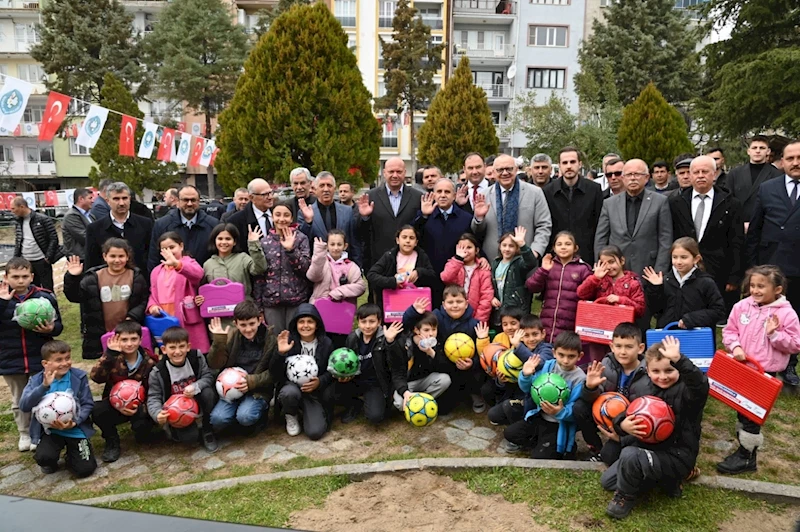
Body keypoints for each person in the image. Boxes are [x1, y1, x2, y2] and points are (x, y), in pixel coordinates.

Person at [601, 337, 708, 520]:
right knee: (608, 481)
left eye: (669, 370)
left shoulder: (688, 393)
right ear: (647, 371)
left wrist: (680, 360)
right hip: (649, 450)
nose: (663, 376)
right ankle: (667, 481)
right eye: (656, 371)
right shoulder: (644, 389)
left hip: (677, 455)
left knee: (629, 455)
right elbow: (625, 415)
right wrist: (622, 425)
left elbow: (700, 385)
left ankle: (625, 497)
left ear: (678, 369)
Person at [717, 266, 800, 474]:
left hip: (764, 373)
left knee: (752, 414)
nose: (755, 290)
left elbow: (795, 344)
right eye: (752, 285)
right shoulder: (742, 306)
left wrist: (774, 335)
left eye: (761, 286)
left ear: (777, 289)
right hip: (742, 367)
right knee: (741, 408)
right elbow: (730, 330)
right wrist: (735, 347)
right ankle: (745, 449)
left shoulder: (787, 314)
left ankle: (746, 457)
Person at [747, 139, 800, 385]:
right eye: (790, 158)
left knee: (793, 318)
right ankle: (760, 360)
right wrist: (752, 267)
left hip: (798, 266)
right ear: (781, 161)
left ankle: (790, 365)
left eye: (799, 158)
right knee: (763, 318)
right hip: (771, 265)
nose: (796, 163)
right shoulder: (768, 188)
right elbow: (755, 229)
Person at [669, 155, 744, 321]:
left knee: (711, 315)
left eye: (705, 171)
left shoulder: (730, 203)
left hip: (719, 268)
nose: (700, 175)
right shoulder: (676, 202)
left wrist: (734, 276)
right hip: (685, 269)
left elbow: (736, 242)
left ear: (714, 174)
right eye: (696, 172)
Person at [0, 258, 63, 452]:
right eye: (15, 277)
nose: (20, 281)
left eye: (25, 276)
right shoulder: (1, 299)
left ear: (32, 277)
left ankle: (44, 427)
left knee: (42, 394)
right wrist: (3, 303)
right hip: (11, 358)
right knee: (19, 398)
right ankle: (24, 432)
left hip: (39, 356)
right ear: (6, 277)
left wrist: (50, 328)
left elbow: (58, 326)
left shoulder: (45, 297)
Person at [572, 323, 647, 464]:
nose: (623, 352)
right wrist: (590, 388)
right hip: (607, 414)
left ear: (640, 348)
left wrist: (623, 434)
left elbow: (644, 412)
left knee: (610, 458)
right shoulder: (607, 363)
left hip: (629, 422)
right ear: (612, 347)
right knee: (580, 407)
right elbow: (592, 397)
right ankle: (595, 447)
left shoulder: (647, 371)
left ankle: (620, 446)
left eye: (629, 347)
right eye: (618, 346)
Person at [20, 340, 96, 477]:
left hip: (75, 428)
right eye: (58, 360)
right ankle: (51, 459)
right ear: (45, 364)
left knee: (85, 470)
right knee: (44, 458)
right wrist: (43, 386)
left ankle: (73, 454)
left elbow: (87, 404)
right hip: (50, 431)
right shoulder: (36, 380)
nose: (65, 363)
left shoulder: (78, 376)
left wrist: (75, 422)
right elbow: (24, 405)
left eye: (67, 358)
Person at [402, 289, 485, 414]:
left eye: (459, 301)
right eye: (450, 302)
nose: (455, 305)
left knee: (473, 374)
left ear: (466, 303)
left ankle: (473, 393)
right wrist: (413, 312)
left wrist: (472, 362)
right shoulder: (436, 317)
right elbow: (409, 326)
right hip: (441, 365)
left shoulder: (475, 325)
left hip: (465, 369)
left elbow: (483, 354)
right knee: (443, 409)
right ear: (444, 305)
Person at [504, 332, 586, 459]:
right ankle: (540, 442)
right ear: (554, 353)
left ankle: (563, 447)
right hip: (539, 416)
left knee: (538, 457)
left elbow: (577, 409)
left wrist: (560, 411)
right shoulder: (547, 367)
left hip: (558, 424)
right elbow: (528, 389)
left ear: (580, 356)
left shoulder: (580, 379)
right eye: (561, 355)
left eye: (571, 356)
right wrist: (525, 375)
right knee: (510, 433)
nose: (565, 360)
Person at [63, 240, 148, 360]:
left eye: (121, 256)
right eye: (112, 256)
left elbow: (143, 300)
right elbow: (75, 297)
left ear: (127, 257)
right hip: (101, 333)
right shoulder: (93, 277)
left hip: (128, 333)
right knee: (108, 368)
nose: (117, 260)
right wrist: (73, 277)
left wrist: (132, 317)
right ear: (105, 256)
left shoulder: (136, 276)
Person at [89, 321, 158, 463]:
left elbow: (154, 390)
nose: (129, 344)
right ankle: (112, 441)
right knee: (97, 410)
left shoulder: (149, 361)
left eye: (133, 339)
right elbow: (96, 378)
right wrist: (109, 355)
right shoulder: (112, 358)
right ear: (117, 340)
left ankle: (142, 430)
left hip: (140, 406)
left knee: (142, 432)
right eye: (124, 340)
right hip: (116, 405)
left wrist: (141, 408)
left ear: (140, 339)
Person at [594, 159, 673, 278]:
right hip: (615, 271)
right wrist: (600, 267)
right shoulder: (609, 204)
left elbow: (665, 239)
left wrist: (659, 271)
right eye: (629, 175)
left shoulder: (660, 202)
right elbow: (601, 238)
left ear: (646, 178)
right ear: (623, 178)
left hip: (648, 270)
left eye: (637, 174)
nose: (633, 178)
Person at [206, 301, 277, 434]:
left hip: (258, 390)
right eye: (243, 325)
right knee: (217, 419)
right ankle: (236, 417)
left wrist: (252, 382)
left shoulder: (271, 340)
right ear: (235, 323)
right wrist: (219, 342)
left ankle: (259, 415)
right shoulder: (231, 337)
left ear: (259, 320)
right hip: (231, 389)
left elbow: (274, 372)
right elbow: (214, 364)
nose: (248, 329)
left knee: (245, 417)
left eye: (251, 324)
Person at [146, 326, 218, 452]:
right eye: (172, 348)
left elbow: (208, 376)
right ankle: (178, 429)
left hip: (198, 400)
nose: (177, 352)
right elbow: (153, 396)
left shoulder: (197, 357)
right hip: (177, 411)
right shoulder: (158, 371)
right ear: (164, 349)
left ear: (188, 347)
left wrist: (196, 386)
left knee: (208, 392)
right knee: (190, 438)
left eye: (181, 346)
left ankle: (207, 428)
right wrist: (157, 413)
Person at [323, 304, 399, 425]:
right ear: (358, 322)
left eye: (372, 321)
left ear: (379, 322)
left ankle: (379, 402)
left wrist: (390, 342)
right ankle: (354, 404)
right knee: (329, 394)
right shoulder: (353, 338)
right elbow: (347, 360)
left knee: (375, 417)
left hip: (375, 384)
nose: (367, 326)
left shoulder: (384, 338)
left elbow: (395, 361)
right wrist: (344, 376)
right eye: (363, 322)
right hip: (356, 380)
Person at [471, 153, 552, 262]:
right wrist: (479, 218)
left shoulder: (535, 193)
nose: (505, 173)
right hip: (493, 262)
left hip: (525, 261)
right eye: (500, 170)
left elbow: (544, 225)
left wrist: (535, 251)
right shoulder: (484, 196)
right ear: (493, 172)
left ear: (516, 170)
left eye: (509, 169)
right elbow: (476, 233)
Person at [272, 304, 333, 440]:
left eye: (310, 322)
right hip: (291, 388)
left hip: (313, 393)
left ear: (317, 325)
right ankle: (291, 413)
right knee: (289, 393)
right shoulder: (288, 342)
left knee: (315, 432)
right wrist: (280, 354)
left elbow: (331, 371)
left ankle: (306, 411)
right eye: (301, 322)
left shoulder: (326, 343)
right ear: (295, 324)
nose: (305, 326)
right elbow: (275, 373)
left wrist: (320, 382)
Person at [577, 245, 646, 362]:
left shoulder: (633, 283)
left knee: (619, 361)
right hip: (598, 332)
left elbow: (640, 309)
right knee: (597, 360)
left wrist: (621, 300)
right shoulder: (598, 280)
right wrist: (594, 278)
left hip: (622, 335)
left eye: (611, 262)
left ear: (622, 260)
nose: (608, 266)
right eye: (604, 263)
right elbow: (581, 294)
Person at [642, 237, 726, 329]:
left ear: (696, 259)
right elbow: (654, 310)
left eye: (684, 257)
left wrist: (691, 319)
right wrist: (656, 288)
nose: (678, 262)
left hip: (696, 336)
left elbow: (718, 311)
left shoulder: (706, 282)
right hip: (668, 335)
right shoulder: (665, 281)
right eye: (674, 257)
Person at [414, 179, 473, 307]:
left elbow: (474, 242)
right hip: (430, 274)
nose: (443, 195)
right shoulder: (424, 216)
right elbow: (414, 236)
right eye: (439, 191)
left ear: (454, 195)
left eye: (447, 192)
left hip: (457, 275)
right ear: (433, 194)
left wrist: (482, 258)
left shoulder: (465, 218)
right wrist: (424, 216)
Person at [147, 232, 210, 354]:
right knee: (171, 352)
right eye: (165, 249)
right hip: (165, 317)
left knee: (191, 352)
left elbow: (198, 274)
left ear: (181, 246)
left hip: (185, 316)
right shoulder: (156, 271)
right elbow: (152, 293)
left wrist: (176, 264)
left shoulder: (189, 263)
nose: (169, 252)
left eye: (172, 247)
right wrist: (152, 306)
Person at [525, 231, 593, 344]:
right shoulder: (549, 265)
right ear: (554, 248)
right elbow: (532, 286)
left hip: (571, 320)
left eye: (567, 244)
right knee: (546, 350)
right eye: (559, 244)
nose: (563, 247)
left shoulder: (583, 269)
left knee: (565, 349)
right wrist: (543, 270)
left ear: (575, 248)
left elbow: (589, 294)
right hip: (547, 319)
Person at [357, 157, 423, 271]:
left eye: (399, 172)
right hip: (379, 261)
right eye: (391, 172)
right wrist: (364, 217)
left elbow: (422, 228)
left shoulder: (417, 197)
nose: (395, 175)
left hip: (410, 263)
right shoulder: (370, 197)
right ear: (384, 173)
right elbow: (360, 231)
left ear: (405, 172)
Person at [254, 203, 311, 332]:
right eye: (277, 215)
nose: (281, 219)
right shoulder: (265, 242)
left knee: (294, 337)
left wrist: (291, 250)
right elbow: (259, 276)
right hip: (271, 301)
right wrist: (259, 307)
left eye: (286, 215)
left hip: (296, 298)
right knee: (275, 339)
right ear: (272, 217)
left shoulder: (301, 239)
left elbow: (306, 269)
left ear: (291, 218)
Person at [543, 147, 604, 263]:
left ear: (580, 164)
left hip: (586, 255)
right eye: (565, 163)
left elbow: (599, 224)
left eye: (572, 162)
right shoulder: (548, 192)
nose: (569, 166)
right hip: (557, 257)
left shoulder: (594, 189)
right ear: (559, 165)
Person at [307, 230, 366, 348]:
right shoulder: (322, 262)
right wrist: (318, 254)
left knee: (339, 342)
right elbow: (313, 276)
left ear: (345, 246)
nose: (335, 248)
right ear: (327, 245)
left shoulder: (351, 266)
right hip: (321, 310)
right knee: (321, 342)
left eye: (339, 244)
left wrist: (339, 292)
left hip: (341, 312)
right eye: (332, 244)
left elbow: (360, 287)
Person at [388, 310, 452, 413]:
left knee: (445, 380)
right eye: (426, 330)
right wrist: (404, 391)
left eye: (434, 329)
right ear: (417, 330)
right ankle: (413, 402)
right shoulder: (405, 344)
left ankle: (422, 403)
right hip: (407, 382)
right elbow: (397, 373)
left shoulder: (436, 343)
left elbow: (446, 368)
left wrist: (431, 353)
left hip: (425, 380)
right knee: (399, 404)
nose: (431, 334)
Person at [85, 182, 153, 272]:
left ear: (129, 199)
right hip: (107, 283)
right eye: (116, 199)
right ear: (108, 201)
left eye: (124, 198)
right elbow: (91, 262)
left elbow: (151, 257)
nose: (121, 203)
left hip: (139, 282)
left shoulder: (146, 224)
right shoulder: (95, 229)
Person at [147, 185, 217, 273]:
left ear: (199, 201)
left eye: (193, 200)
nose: (189, 204)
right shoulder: (162, 225)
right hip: (172, 283)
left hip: (204, 282)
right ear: (178, 201)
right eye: (185, 200)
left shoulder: (213, 225)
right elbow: (154, 258)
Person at [297, 172, 362, 266]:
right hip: (318, 268)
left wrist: (357, 266)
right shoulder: (305, 212)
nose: (326, 189)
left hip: (343, 267)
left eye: (329, 185)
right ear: (315, 189)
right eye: (322, 185)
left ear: (334, 189)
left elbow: (354, 242)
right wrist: (308, 222)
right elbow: (303, 241)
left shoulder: (347, 211)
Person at [366, 225, 435, 310]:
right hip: (393, 301)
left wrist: (419, 272)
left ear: (416, 242)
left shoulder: (422, 256)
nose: (408, 241)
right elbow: (371, 275)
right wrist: (393, 282)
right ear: (398, 240)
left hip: (415, 302)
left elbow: (432, 275)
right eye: (404, 237)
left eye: (411, 238)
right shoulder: (389, 256)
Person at [203, 223, 267, 305]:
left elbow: (260, 268)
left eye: (228, 239)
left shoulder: (243, 258)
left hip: (243, 310)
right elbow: (206, 290)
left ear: (234, 242)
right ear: (214, 241)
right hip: (219, 310)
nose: (224, 242)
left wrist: (253, 244)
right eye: (220, 238)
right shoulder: (208, 264)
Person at [11, 197, 63, 292]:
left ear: (22, 207)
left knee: (47, 288)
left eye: (13, 208)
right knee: (30, 289)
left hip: (41, 260)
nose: (12, 211)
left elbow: (53, 238)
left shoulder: (43, 219)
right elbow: (18, 240)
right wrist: (15, 259)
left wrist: (48, 257)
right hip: (26, 261)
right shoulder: (18, 221)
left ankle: (50, 305)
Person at [727, 135, 783, 222]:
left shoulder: (777, 175)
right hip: (738, 225)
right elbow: (728, 200)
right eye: (754, 148)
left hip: (765, 224)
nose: (758, 151)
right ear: (748, 151)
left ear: (768, 151)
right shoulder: (734, 174)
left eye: (762, 148)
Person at [440, 233, 493, 323]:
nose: (465, 251)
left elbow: (486, 297)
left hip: (474, 315)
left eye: (469, 247)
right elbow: (445, 277)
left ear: (476, 250)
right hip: (454, 314)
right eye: (461, 247)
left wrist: (478, 321)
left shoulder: (483, 269)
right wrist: (458, 259)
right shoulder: (453, 264)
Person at [490, 226, 536, 327]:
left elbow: (531, 262)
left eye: (511, 246)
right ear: (500, 246)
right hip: (499, 309)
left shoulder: (518, 263)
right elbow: (491, 285)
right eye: (504, 245)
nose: (507, 249)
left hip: (516, 308)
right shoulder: (495, 263)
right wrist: (491, 297)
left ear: (516, 248)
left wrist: (522, 245)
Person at [228, 179, 275, 253]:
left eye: (270, 193)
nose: (270, 197)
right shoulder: (236, 221)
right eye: (264, 195)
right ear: (251, 198)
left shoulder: (281, 213)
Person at [62, 188, 95, 260]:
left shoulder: (90, 215)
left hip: (90, 255)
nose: (93, 201)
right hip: (79, 259)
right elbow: (85, 236)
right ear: (81, 199)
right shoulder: (71, 216)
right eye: (90, 198)